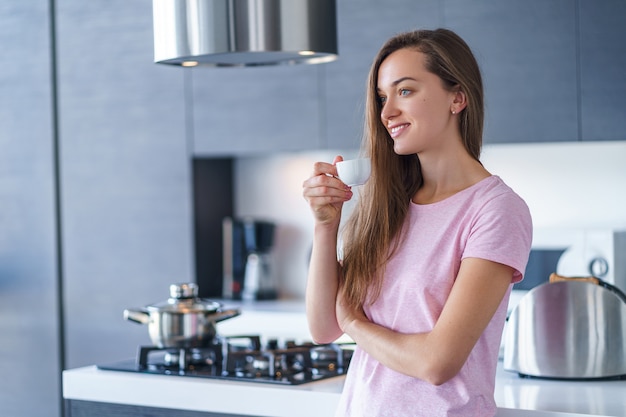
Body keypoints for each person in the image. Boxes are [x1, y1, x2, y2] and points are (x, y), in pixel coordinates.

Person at [302, 28, 532, 417]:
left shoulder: (495, 210)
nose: (386, 112)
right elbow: (324, 328)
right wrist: (326, 226)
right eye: (382, 97)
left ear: (457, 98)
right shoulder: (388, 206)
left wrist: (354, 324)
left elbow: (437, 362)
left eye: (404, 91)